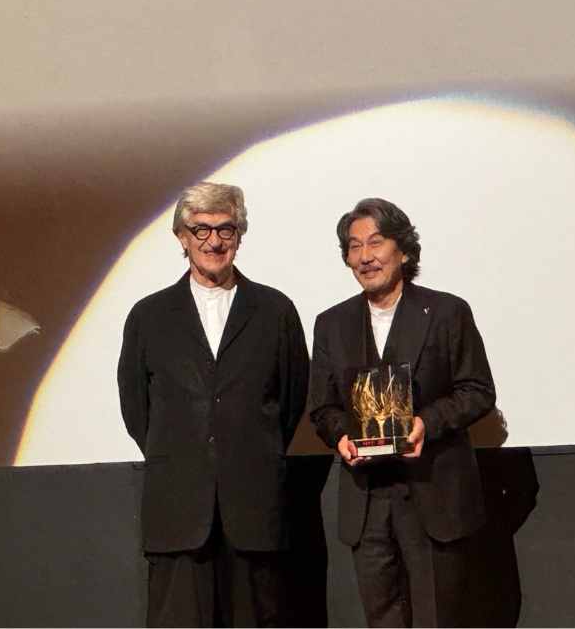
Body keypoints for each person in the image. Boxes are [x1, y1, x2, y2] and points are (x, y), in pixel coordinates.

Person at [118, 182, 309, 627]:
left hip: (254, 510)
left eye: (226, 229)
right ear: (181, 238)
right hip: (179, 511)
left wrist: (243, 448)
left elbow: (290, 402)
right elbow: (137, 411)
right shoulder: (149, 316)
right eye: (200, 230)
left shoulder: (275, 310)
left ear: (239, 235)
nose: (214, 241)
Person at [308, 198, 495, 627]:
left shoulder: (447, 312)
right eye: (354, 246)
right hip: (366, 500)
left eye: (376, 242)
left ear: (404, 251)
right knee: (381, 619)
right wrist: (341, 436)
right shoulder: (331, 323)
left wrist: (427, 423)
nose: (365, 256)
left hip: (433, 493)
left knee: (437, 618)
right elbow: (322, 406)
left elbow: (477, 390)